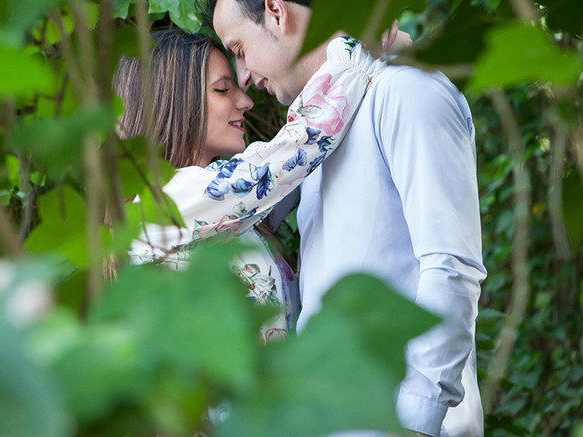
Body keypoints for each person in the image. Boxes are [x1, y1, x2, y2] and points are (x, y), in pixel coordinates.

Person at [205, 0, 486, 437]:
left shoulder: (405, 92)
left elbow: (451, 267)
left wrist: (414, 419)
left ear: (276, 13)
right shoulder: (314, 137)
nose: (244, 75)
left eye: (240, 49)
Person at [115, 27, 395, 341]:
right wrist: (355, 49)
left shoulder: (219, 208)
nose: (246, 101)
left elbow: (297, 176)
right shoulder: (167, 201)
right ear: (171, 102)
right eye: (222, 90)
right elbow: (298, 149)